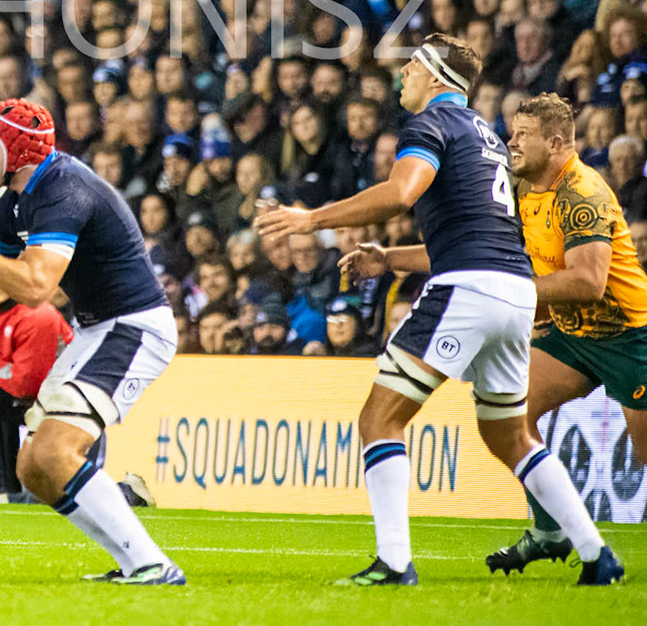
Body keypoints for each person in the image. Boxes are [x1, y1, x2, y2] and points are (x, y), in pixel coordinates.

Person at [256, 35, 623, 586]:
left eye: (409, 66)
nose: (402, 75)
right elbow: (472, 235)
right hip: (515, 292)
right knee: (510, 437)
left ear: (434, 76)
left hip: (468, 291)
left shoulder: (431, 124)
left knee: (380, 419)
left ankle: (394, 563)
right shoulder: (487, 138)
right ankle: (599, 556)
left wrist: (312, 220)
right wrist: (389, 258)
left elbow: (403, 192)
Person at [0, 98, 184, 585]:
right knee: (35, 468)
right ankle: (138, 562)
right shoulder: (15, 201)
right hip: (100, 329)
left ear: (16, 150)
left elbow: (35, 289)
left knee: (52, 454)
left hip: (133, 327)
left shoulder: (64, 188)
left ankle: (151, 562)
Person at [487, 93, 647, 573]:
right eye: (513, 132)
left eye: (523, 136)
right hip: (573, 337)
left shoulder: (583, 193)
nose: (511, 142)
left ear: (555, 143)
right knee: (510, 412)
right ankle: (548, 530)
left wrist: (520, 295)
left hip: (630, 338)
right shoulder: (526, 190)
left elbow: (588, 281)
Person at [0, 287, 71, 504]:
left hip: (61, 405)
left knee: (51, 500)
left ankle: (127, 494)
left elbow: (26, 385)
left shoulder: (38, 315)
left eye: (1, 275)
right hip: (20, 400)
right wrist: (7, 369)